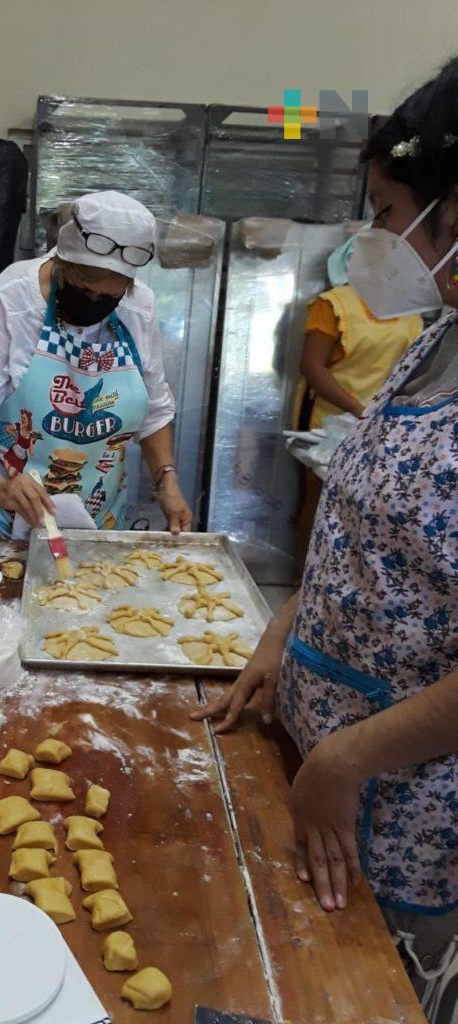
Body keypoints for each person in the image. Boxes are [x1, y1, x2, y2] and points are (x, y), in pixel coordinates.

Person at [195, 57, 458, 1022]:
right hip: (316, 751)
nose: (373, 238)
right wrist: (284, 633)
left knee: (358, 994)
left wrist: (348, 759)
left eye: (387, 212)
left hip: (402, 805)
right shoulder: (435, 339)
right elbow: (369, 535)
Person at [0, 191, 192, 538]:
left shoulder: (138, 306)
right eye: (84, 289)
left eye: (109, 297)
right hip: (6, 519)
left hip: (98, 519)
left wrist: (166, 479)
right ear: (63, 263)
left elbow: (155, 410)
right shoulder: (11, 298)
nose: (94, 302)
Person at [294, 240, 423, 563]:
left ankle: (345, 575)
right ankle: (303, 576)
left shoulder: (410, 311)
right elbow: (312, 367)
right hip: (329, 417)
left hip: (383, 421)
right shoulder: (335, 304)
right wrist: (357, 409)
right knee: (321, 497)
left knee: (364, 502)